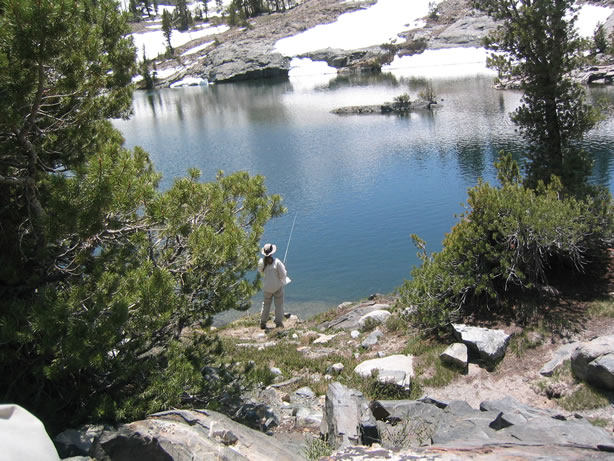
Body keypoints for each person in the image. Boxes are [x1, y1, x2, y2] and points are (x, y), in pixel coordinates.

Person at [258, 243, 289, 329]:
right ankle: (278, 323)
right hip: (277, 288)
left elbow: (261, 271)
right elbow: (283, 275)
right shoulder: (277, 262)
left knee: (266, 305)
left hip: (266, 288)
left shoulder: (261, 262)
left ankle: (263, 322)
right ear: (272, 252)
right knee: (279, 305)